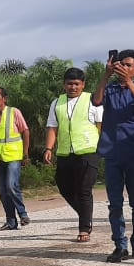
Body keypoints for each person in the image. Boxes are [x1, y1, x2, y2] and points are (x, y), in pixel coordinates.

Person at [90, 51, 134, 261]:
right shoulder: (110, 89)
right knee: (114, 203)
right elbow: (96, 101)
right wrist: (105, 75)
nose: (123, 68)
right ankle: (120, 245)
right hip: (112, 152)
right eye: (120, 65)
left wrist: (128, 82)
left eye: (127, 65)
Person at [44, 68, 103, 244]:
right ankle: (86, 215)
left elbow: (100, 125)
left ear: (83, 85)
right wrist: (48, 148)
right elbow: (52, 127)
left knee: (84, 190)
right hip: (64, 153)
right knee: (65, 188)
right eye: (69, 83)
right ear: (64, 84)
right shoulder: (57, 103)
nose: (73, 87)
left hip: (88, 151)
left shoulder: (92, 100)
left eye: (76, 84)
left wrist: (100, 147)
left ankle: (84, 228)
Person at [0, 87, 30, 230]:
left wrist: (25, 153)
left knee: (11, 185)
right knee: (2, 191)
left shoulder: (14, 112)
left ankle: (23, 214)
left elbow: (25, 131)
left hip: (14, 156)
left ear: (4, 98)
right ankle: (11, 221)